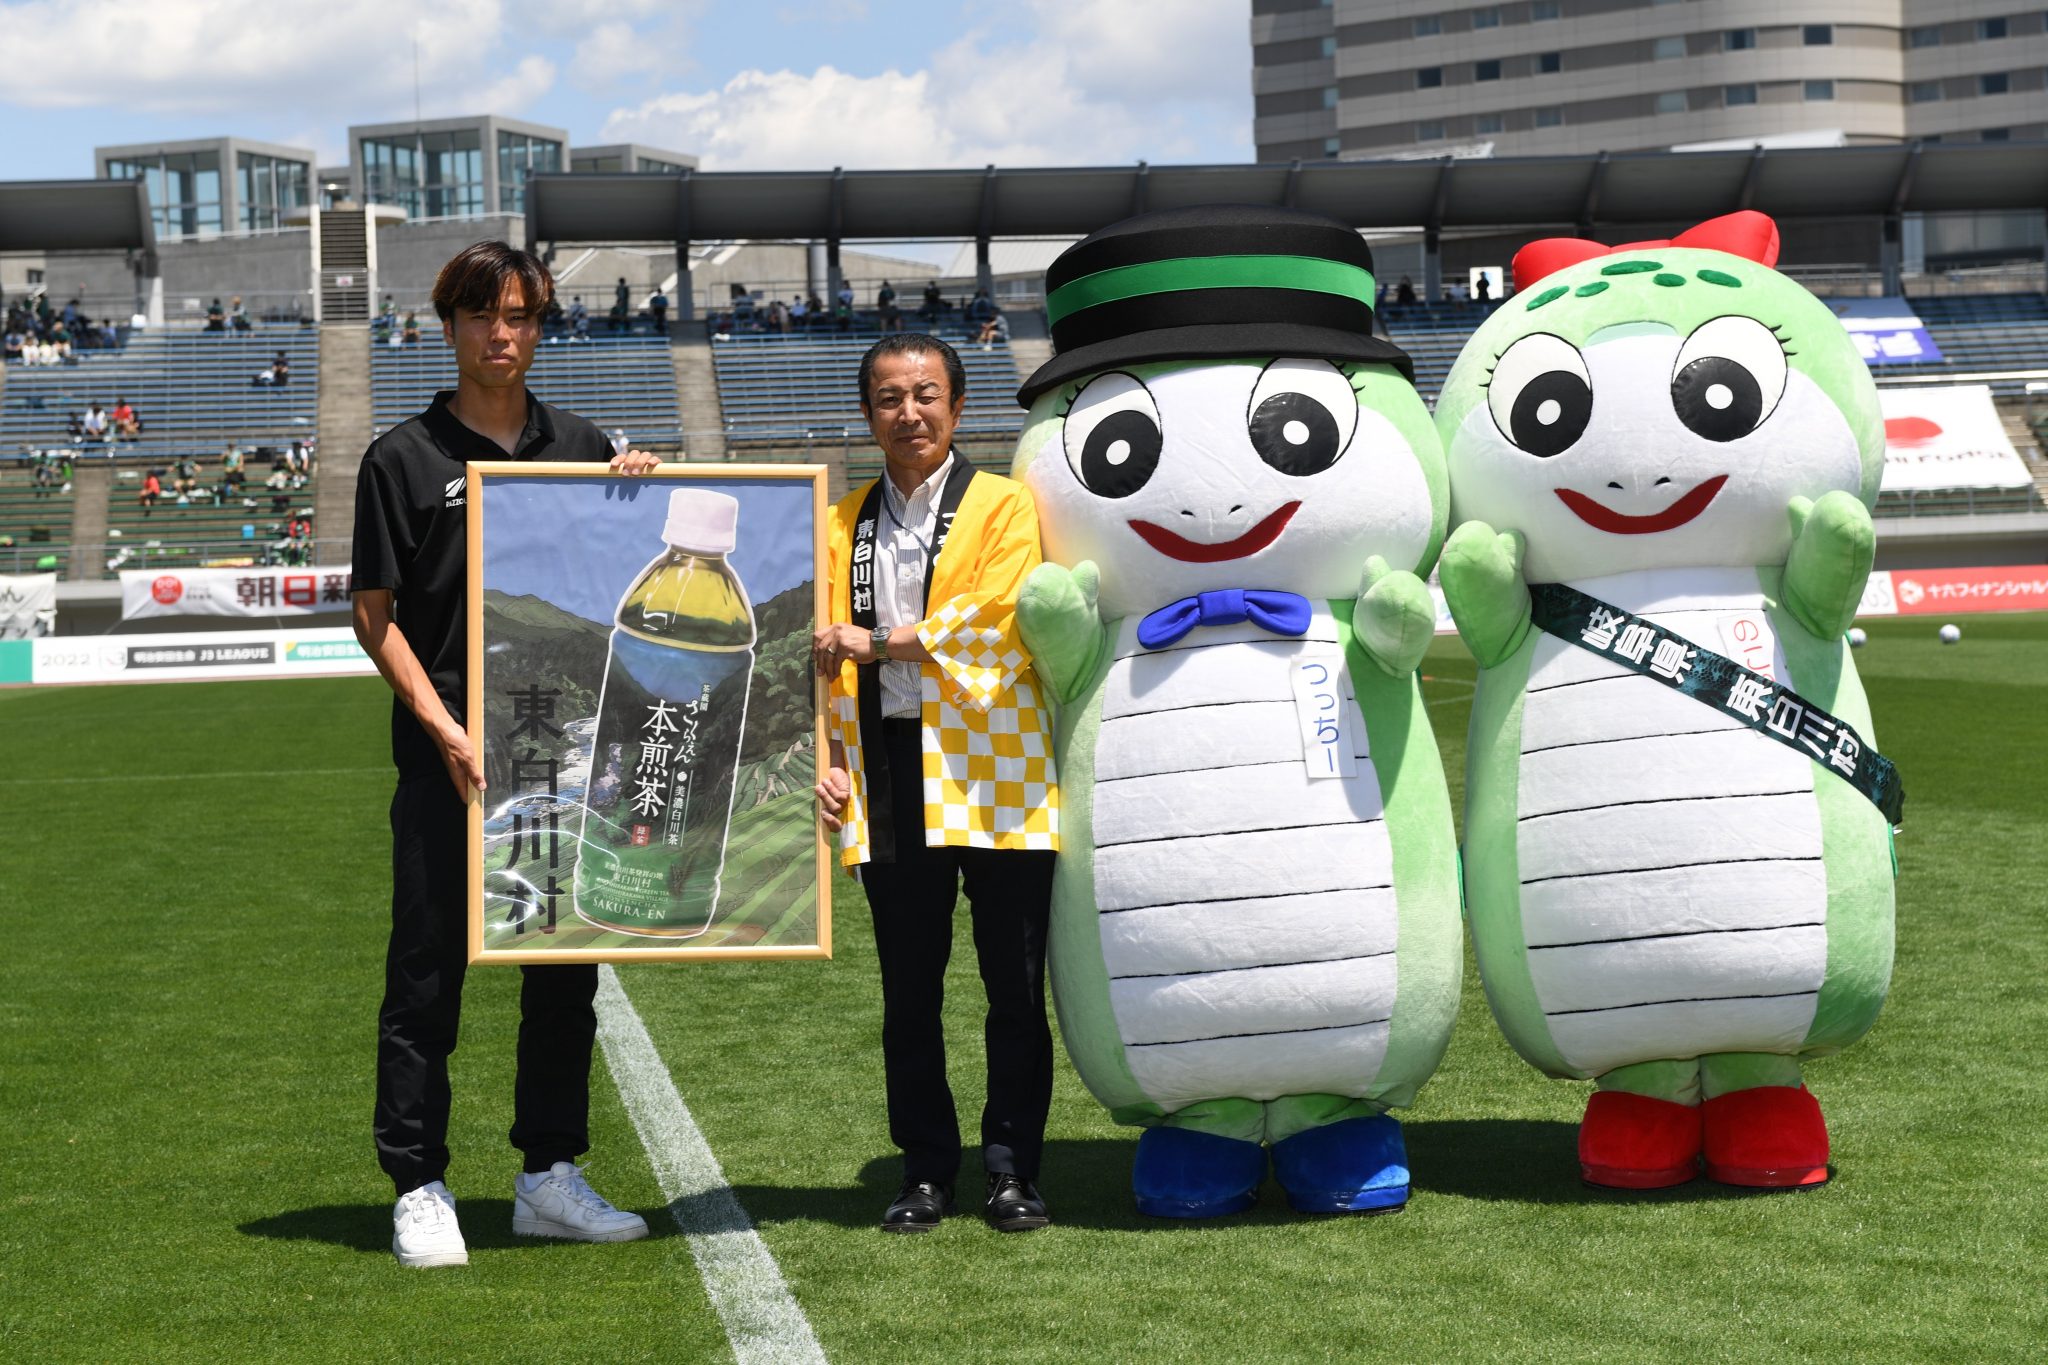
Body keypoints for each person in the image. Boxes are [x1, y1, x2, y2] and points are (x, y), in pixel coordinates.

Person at [351, 241, 660, 1271]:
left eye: (520, 316)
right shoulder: (402, 457)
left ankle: (548, 1177)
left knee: (562, 973)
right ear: (448, 326)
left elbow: (620, 586)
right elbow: (374, 615)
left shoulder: (580, 444)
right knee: (426, 976)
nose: (501, 334)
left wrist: (642, 494)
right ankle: (418, 1183)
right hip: (447, 759)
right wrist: (443, 724)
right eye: (482, 315)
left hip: (557, 756)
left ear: (538, 328)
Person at [812, 333, 1061, 1235]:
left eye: (925, 395)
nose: (908, 413)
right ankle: (924, 1171)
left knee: (1013, 986)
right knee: (908, 992)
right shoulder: (838, 522)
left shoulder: (1004, 505)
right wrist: (825, 758)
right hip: (886, 765)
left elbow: (1000, 619)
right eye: (889, 398)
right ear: (867, 413)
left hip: (999, 766)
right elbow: (812, 650)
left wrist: (879, 641)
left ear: (956, 407)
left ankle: (1012, 1170)